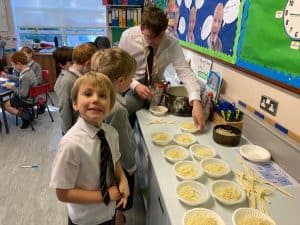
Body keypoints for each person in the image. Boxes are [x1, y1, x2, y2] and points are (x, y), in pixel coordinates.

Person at [50, 72, 129, 225]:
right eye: (88, 94)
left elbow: (115, 159)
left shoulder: (111, 133)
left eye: (103, 96)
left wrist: (123, 179)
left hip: (108, 212)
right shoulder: (71, 144)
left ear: (111, 105)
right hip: (86, 219)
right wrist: (105, 195)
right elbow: (62, 193)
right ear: (74, 103)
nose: (95, 99)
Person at [118, 6, 206, 132]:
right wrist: (135, 85)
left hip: (156, 87)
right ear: (142, 28)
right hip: (130, 83)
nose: (156, 42)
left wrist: (196, 101)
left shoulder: (172, 43)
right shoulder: (128, 37)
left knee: (158, 124)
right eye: (150, 37)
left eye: (160, 36)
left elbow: (185, 73)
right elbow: (118, 68)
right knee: (125, 109)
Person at [91, 48, 137, 211]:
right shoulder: (117, 109)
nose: (132, 82)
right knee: (119, 203)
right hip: (120, 167)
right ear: (121, 80)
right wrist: (131, 168)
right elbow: (123, 144)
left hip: (104, 163)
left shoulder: (98, 97)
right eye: (131, 79)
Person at [55, 43, 97, 135]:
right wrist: (68, 133)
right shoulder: (68, 80)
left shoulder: (77, 77)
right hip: (72, 131)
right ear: (87, 64)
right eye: (93, 67)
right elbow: (64, 108)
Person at [0, 51, 38, 129]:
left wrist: (12, 87)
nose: (12, 67)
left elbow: (23, 94)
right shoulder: (28, 71)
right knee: (12, 98)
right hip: (33, 98)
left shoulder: (25, 76)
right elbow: (19, 79)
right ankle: (25, 113)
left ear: (19, 64)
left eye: (13, 64)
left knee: (4, 105)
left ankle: (25, 116)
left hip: (27, 100)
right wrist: (8, 76)